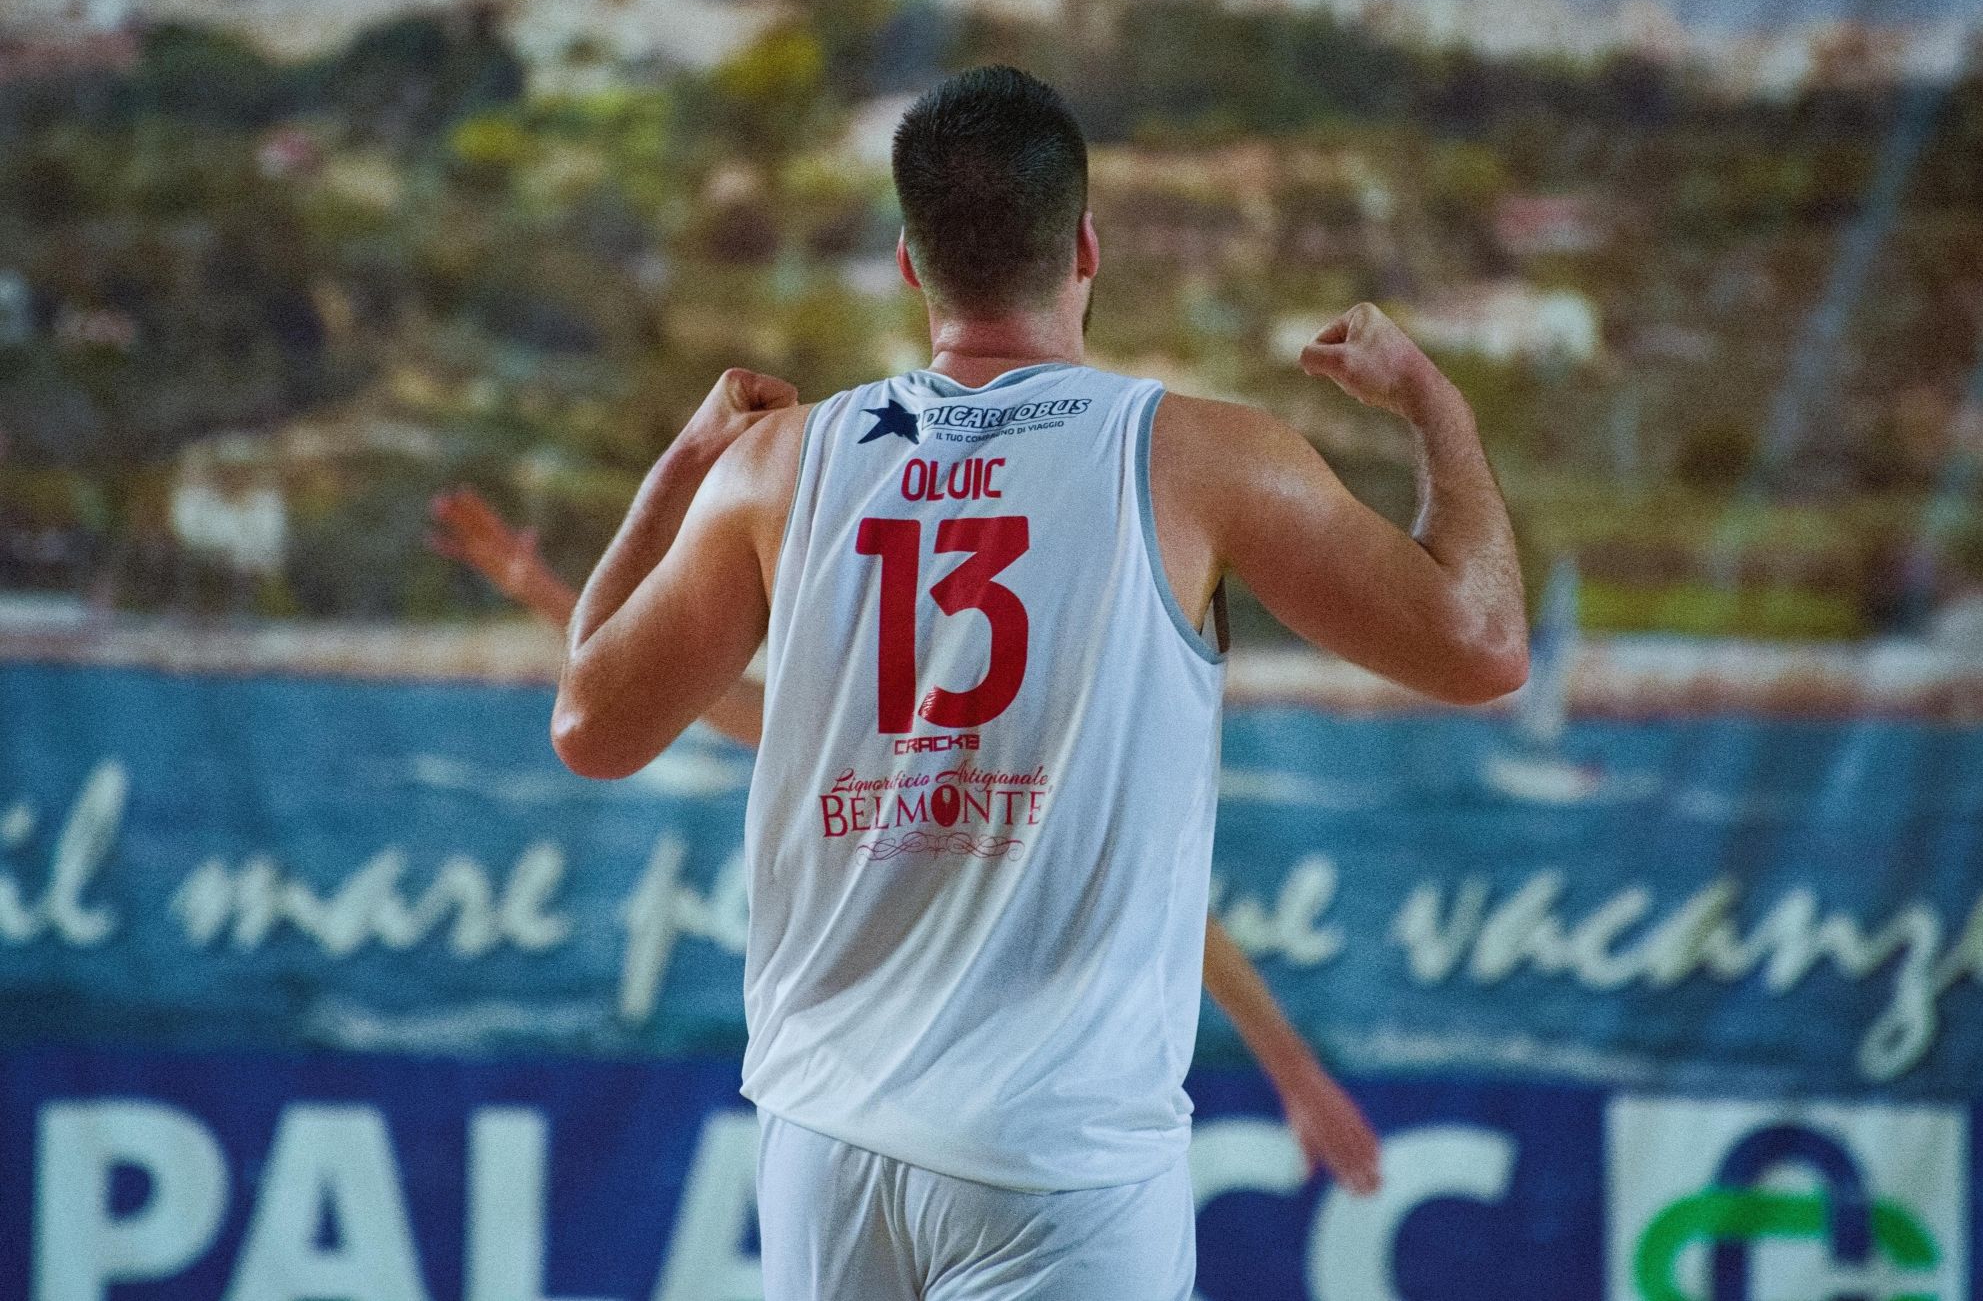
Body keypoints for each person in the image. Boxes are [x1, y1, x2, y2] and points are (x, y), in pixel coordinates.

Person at [545, 65, 1526, 1300]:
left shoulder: (777, 465)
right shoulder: (1199, 457)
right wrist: (1431, 404)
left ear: (910, 265)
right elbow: (1482, 645)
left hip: (826, 1145)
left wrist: (687, 461)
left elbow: (588, 722)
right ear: (1085, 248)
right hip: (1057, 1160)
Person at [431, 486, 1383, 1192]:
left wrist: (1296, 1072)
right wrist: (540, 591)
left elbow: (1174, 916)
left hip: (944, 1129)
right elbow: (704, 699)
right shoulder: (899, 742)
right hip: (915, 1129)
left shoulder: (1028, 753)